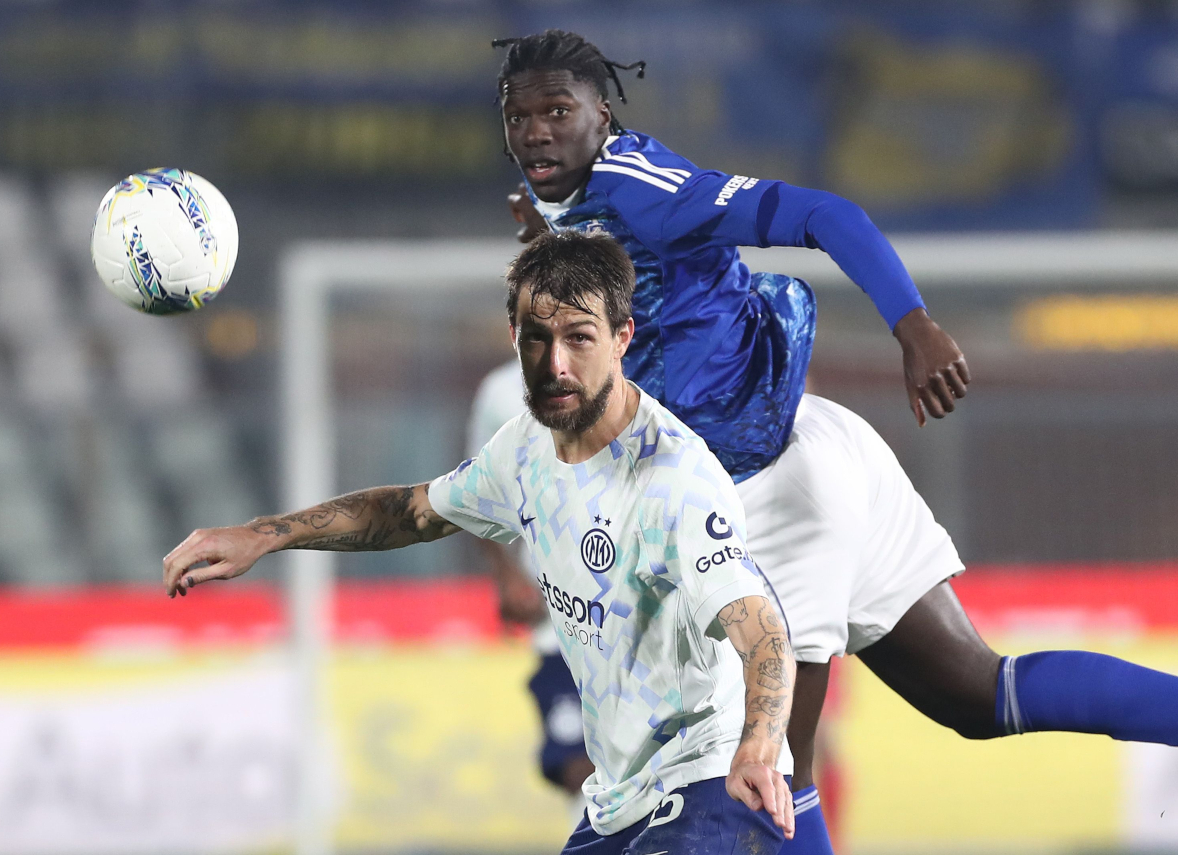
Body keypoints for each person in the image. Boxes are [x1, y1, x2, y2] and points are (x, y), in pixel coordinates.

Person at [492, 29, 1178, 853]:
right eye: (519, 116)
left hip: (769, 489)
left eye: (557, 112)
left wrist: (913, 325)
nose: (536, 131)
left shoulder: (643, 189)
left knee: (771, 769)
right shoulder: (573, 200)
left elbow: (826, 213)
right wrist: (553, 236)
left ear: (602, 116)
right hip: (810, 446)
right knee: (976, 692)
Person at [164, 232, 798, 853]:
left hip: (709, 780)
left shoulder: (674, 481)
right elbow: (411, 512)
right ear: (513, 338)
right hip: (621, 800)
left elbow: (764, 632)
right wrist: (260, 535)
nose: (556, 364)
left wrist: (758, 745)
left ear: (622, 338)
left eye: (580, 338)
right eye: (537, 338)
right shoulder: (523, 448)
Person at [466, 359, 595, 810]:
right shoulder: (501, 391)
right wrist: (506, 574)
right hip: (558, 619)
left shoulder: (634, 374)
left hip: (636, 615)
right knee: (579, 766)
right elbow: (476, 488)